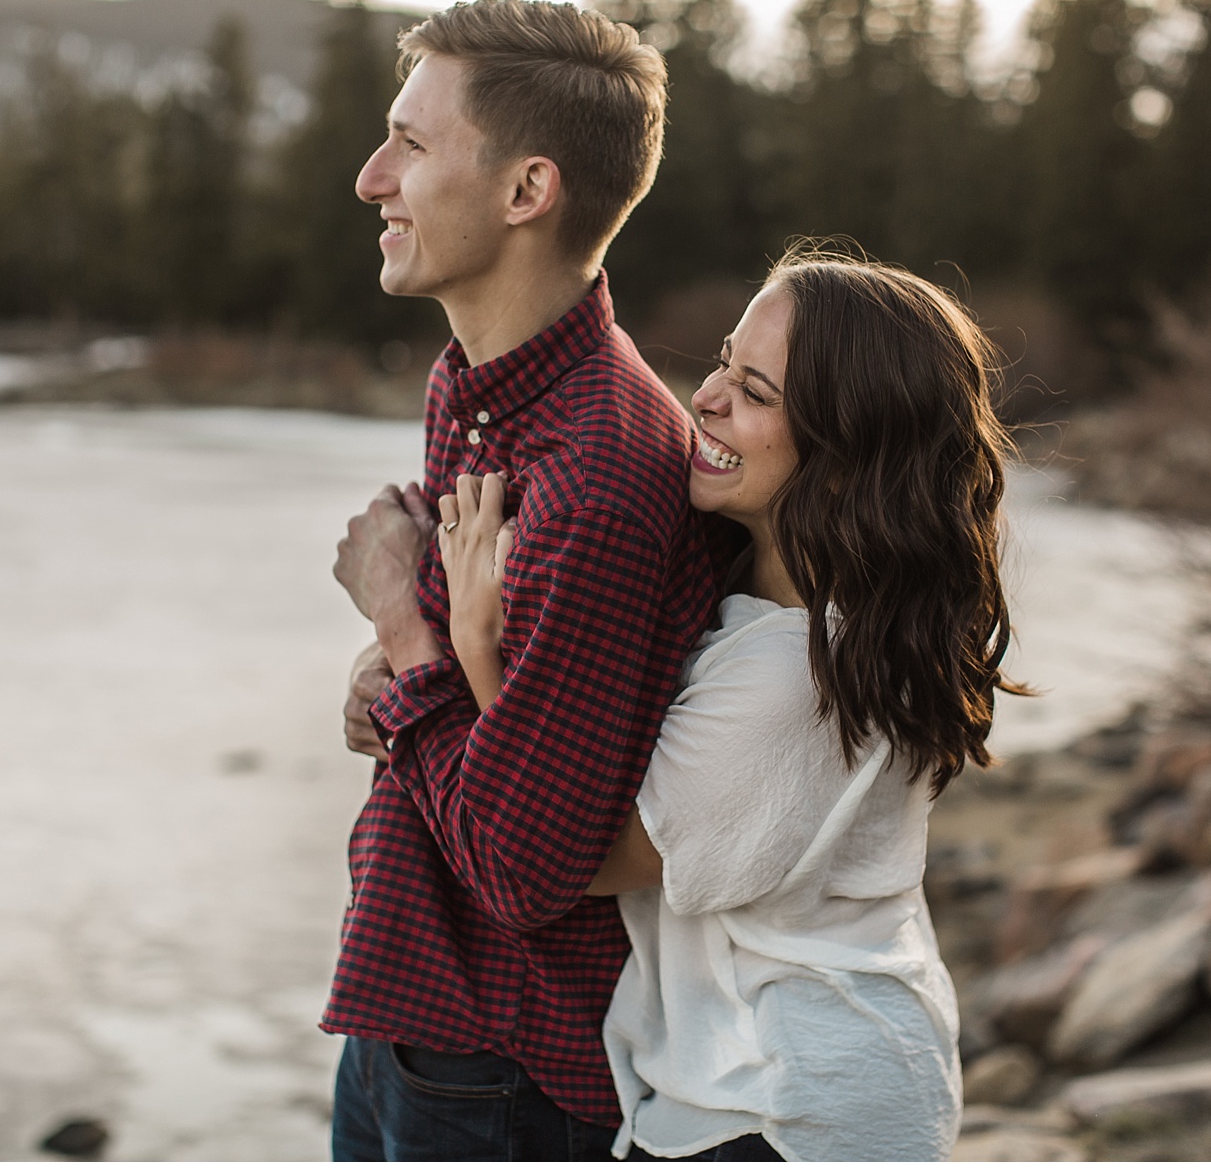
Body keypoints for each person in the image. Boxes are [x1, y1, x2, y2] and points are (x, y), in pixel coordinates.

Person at [427, 248, 1024, 1160]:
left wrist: (474, 645)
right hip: (821, 1075)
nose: (705, 397)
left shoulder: (798, 675)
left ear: (842, 451)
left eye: (754, 390)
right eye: (722, 363)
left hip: (784, 1103)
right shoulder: (810, 610)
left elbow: (571, 860)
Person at [325, 0, 737, 1162]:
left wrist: (403, 630)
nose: (370, 179)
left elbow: (521, 866)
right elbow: (498, 713)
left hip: (500, 1068)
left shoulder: (596, 475)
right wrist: (400, 677)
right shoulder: (482, 383)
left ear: (525, 192)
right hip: (410, 1008)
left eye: (410, 143)